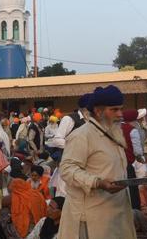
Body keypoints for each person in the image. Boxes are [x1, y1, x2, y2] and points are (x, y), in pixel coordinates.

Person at [58, 85, 135, 239]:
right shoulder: (82, 136)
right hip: (91, 219)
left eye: (121, 109)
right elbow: (67, 169)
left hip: (115, 216)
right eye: (114, 110)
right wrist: (98, 183)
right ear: (98, 111)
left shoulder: (113, 134)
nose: (120, 114)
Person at [7, 160, 47, 238]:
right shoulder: (27, 184)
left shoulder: (45, 183)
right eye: (32, 175)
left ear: (40, 176)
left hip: (34, 222)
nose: (34, 177)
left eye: (36, 176)